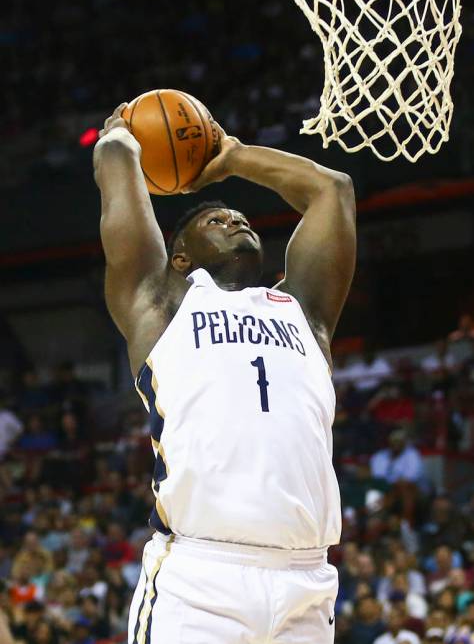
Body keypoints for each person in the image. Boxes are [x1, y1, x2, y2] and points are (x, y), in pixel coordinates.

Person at [94, 103, 356, 644]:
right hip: (199, 581)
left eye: (242, 219)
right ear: (181, 257)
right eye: (215, 221)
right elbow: (120, 191)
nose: (236, 220)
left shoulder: (303, 312)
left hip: (305, 580)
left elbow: (333, 190)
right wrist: (118, 141)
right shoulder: (161, 306)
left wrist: (233, 157)